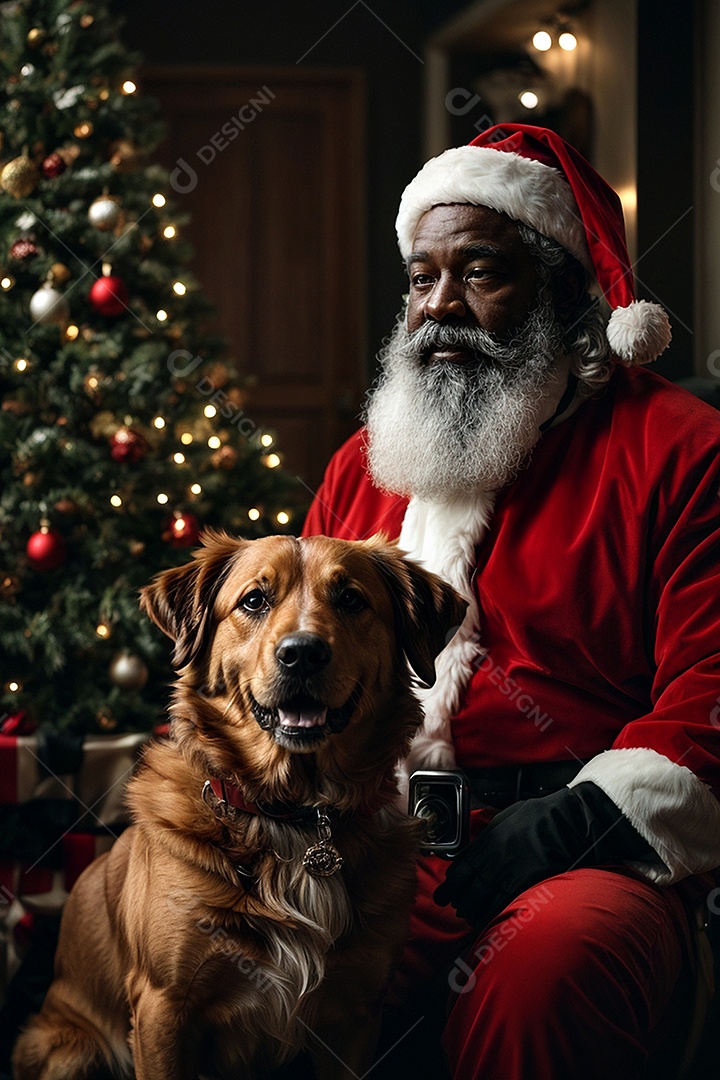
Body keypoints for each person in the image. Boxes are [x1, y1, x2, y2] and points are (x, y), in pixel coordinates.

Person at [301, 124, 720, 1079]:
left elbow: (713, 697)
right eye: (421, 278)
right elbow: (293, 649)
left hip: (587, 856)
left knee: (540, 973)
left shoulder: (682, 453)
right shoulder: (365, 467)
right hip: (376, 844)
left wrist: (580, 819)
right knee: (258, 977)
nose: (440, 307)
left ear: (566, 294)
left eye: (480, 272)